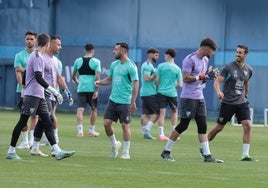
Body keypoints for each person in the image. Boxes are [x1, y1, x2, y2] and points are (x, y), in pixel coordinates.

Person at [6, 33, 75, 160]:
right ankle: (11, 151)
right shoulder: (37, 56)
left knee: (48, 121)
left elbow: (26, 72)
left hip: (39, 95)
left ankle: (57, 151)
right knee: (22, 122)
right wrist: (54, 91)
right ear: (48, 44)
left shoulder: (38, 56)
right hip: (32, 95)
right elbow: (38, 77)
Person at [161, 38, 223, 163]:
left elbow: (202, 78)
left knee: (203, 125)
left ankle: (207, 155)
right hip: (188, 97)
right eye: (212, 51)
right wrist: (202, 76)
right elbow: (185, 79)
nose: (213, 53)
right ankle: (166, 151)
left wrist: (208, 76)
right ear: (206, 48)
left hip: (199, 96)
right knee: (183, 125)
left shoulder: (205, 59)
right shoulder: (189, 59)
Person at [207, 44, 255, 161]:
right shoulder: (228, 67)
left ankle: (245, 155)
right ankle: (204, 146)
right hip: (228, 102)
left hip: (242, 102)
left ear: (246, 54)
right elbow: (217, 82)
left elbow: (246, 82)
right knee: (219, 128)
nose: (237, 54)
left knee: (248, 125)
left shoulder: (249, 69)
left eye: (240, 53)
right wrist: (219, 92)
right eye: (237, 52)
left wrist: (246, 95)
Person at [95, 42, 139, 159]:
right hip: (112, 100)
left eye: (116, 50)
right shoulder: (114, 64)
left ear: (123, 51)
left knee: (125, 126)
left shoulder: (131, 66)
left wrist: (133, 101)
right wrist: (99, 82)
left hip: (125, 101)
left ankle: (126, 152)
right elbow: (109, 79)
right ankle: (115, 144)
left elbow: (136, 84)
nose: (113, 51)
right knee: (106, 123)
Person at [14, 30, 39, 149]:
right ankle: (25, 141)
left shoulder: (39, 55)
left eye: (31, 39)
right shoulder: (19, 55)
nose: (29, 41)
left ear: (36, 40)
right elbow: (17, 71)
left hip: (35, 91)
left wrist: (25, 70)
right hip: (22, 90)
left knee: (35, 116)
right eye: (27, 39)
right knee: (23, 115)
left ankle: (33, 140)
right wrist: (22, 86)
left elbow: (37, 72)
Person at [72, 43, 101, 138]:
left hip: (81, 88)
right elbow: (97, 76)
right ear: (93, 51)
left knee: (80, 109)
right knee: (93, 109)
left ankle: (80, 132)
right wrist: (96, 90)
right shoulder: (96, 61)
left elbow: (73, 75)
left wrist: (77, 82)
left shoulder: (78, 60)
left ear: (85, 50)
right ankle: (91, 131)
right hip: (92, 89)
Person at [155, 48, 183, 141]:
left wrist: (159, 87)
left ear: (167, 55)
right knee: (175, 112)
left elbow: (156, 80)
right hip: (172, 93)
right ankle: (173, 133)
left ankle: (161, 134)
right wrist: (172, 86)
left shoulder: (161, 66)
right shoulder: (177, 68)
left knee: (162, 113)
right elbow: (180, 84)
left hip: (161, 92)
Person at [140, 48, 160, 139]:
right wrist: (155, 75)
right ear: (150, 55)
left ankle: (145, 134)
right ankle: (147, 130)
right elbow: (147, 78)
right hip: (149, 93)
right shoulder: (147, 65)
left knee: (145, 113)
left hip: (145, 93)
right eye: (156, 55)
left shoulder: (149, 65)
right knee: (157, 112)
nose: (157, 57)